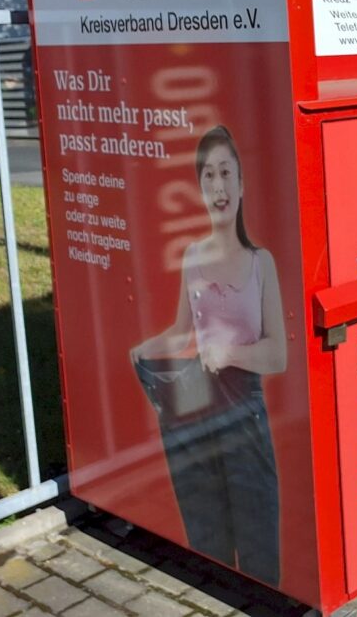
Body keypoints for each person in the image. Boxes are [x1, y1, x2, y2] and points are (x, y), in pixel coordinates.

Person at [130, 125, 285, 585]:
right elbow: (182, 332)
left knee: (259, 559)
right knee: (207, 548)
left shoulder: (262, 263)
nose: (218, 186)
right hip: (193, 416)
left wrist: (231, 351)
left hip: (245, 419)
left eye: (226, 173)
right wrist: (143, 351)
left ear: (242, 184)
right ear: (200, 188)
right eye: (208, 176)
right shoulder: (192, 255)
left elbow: (278, 354)